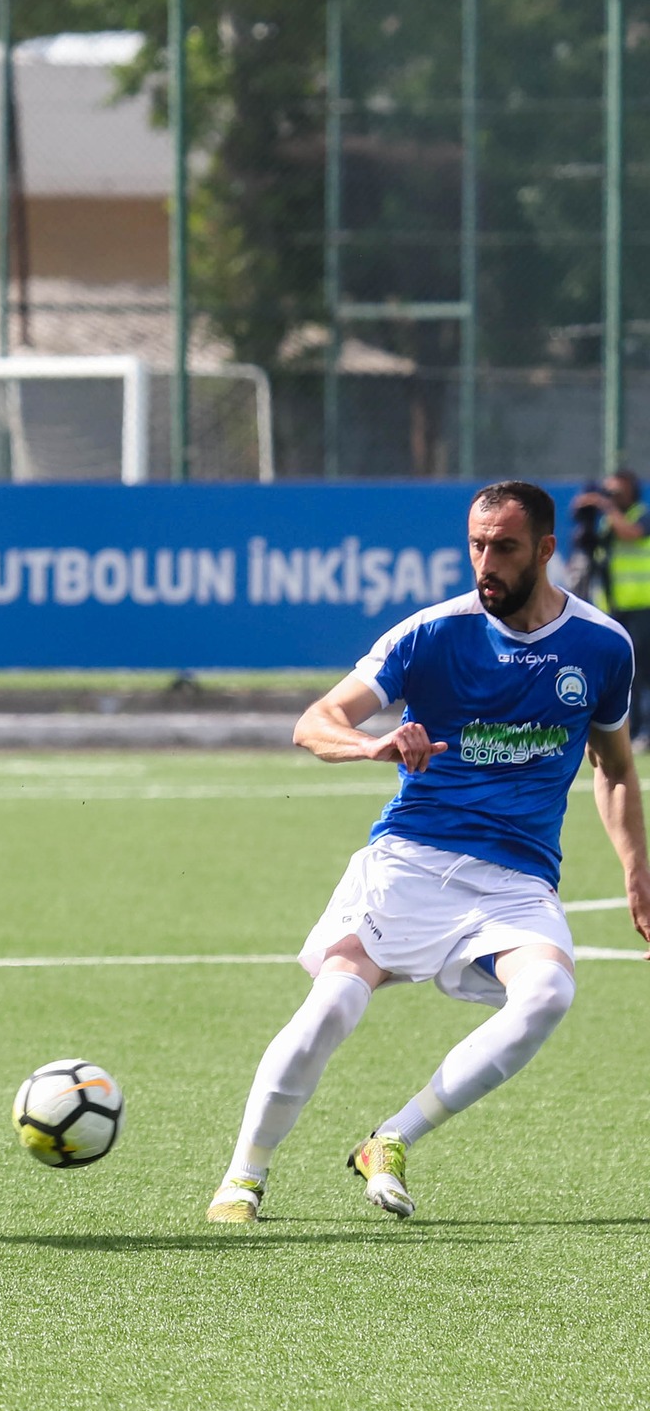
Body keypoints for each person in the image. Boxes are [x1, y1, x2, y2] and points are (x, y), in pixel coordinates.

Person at [207, 479, 650, 1226]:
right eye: (477, 544)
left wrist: (637, 875)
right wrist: (371, 743)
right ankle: (243, 1178)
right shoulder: (431, 632)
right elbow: (315, 723)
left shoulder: (602, 647)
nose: (487, 562)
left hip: (517, 880)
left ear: (544, 550)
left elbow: (612, 767)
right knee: (333, 1005)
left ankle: (390, 1139)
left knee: (547, 994)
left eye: (505, 548)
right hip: (410, 861)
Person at [571, 470, 650, 740]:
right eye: (609, 491)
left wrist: (606, 506)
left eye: (617, 491)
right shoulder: (606, 523)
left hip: (643, 604)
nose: (612, 496)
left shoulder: (642, 514)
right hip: (613, 608)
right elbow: (587, 549)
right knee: (620, 673)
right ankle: (629, 729)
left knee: (642, 672)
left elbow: (632, 534)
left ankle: (644, 730)